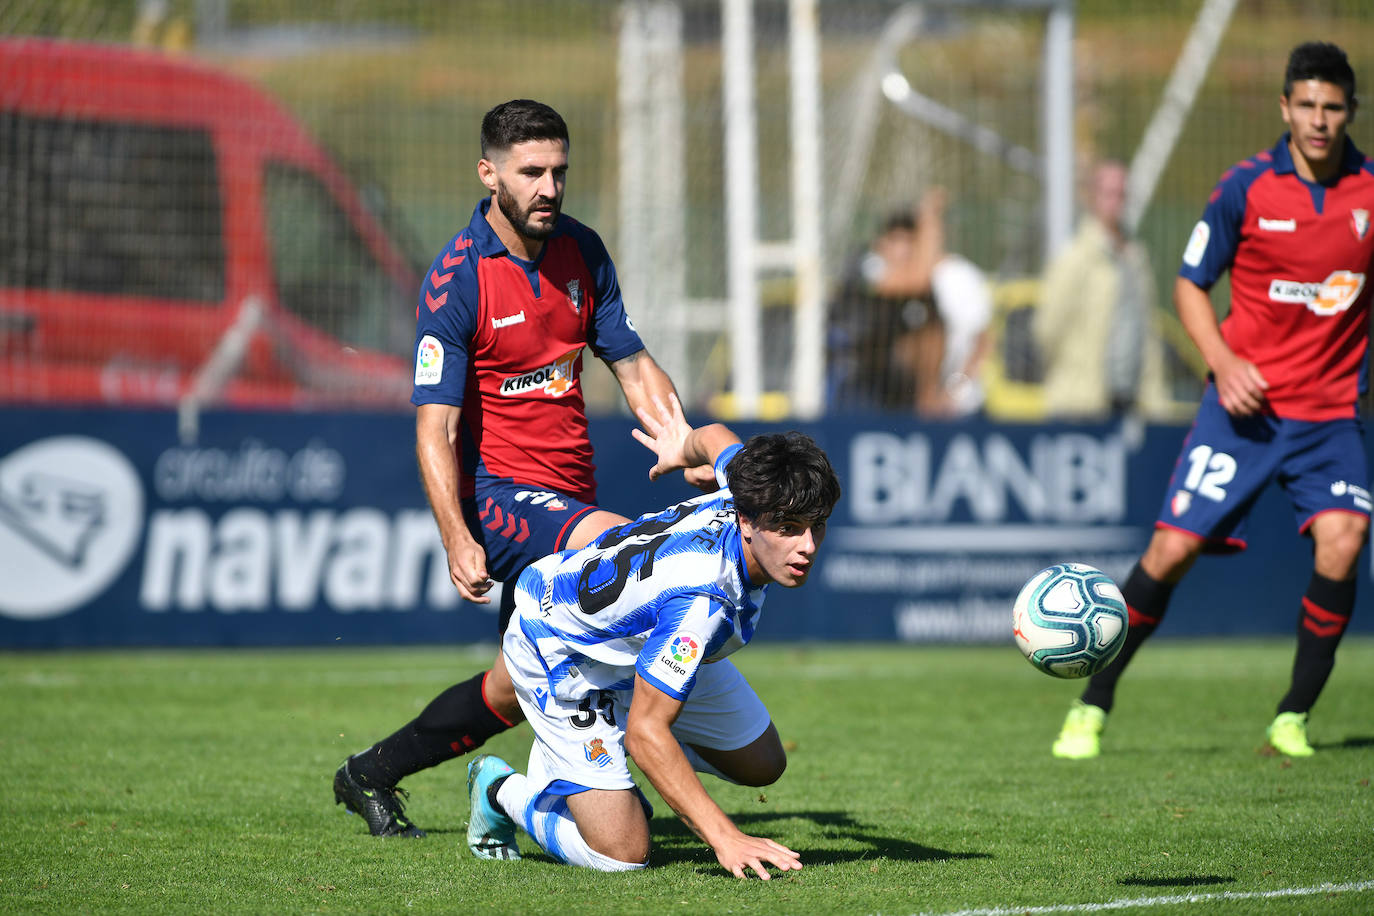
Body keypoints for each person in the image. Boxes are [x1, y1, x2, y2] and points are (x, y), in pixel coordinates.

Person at [333, 99, 704, 836]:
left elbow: (631, 364)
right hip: (499, 498)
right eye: (531, 172)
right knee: (624, 552)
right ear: (489, 172)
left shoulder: (583, 251)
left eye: (559, 172)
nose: (549, 188)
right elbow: (433, 430)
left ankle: (369, 774)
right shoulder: (456, 279)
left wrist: (677, 435)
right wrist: (454, 536)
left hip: (567, 496)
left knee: (508, 690)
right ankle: (643, 750)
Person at [1052, 41, 1372, 760]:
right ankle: (1093, 702)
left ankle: (1293, 714)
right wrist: (1223, 363)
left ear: (1351, 111)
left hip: (1328, 418)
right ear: (1285, 108)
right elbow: (1190, 283)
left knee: (1344, 540)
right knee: (1171, 550)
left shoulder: (1369, 194)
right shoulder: (1246, 188)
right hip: (1243, 413)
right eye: (1308, 106)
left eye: (1334, 107)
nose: (1320, 120)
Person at [464, 393, 841, 876]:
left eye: (817, 527)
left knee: (762, 763)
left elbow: (718, 439)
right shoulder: (702, 602)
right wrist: (725, 837)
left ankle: (594, 765)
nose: (806, 546)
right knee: (622, 854)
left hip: (640, 638)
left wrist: (684, 446)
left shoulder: (750, 485)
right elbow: (646, 734)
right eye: (788, 528)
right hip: (560, 647)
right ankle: (501, 788)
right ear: (746, 521)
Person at [827, 188, 991, 417]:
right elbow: (914, 280)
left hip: (953, 407)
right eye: (895, 240)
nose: (902, 250)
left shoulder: (957, 276)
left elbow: (981, 340)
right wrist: (929, 219)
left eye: (911, 241)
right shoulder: (868, 267)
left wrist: (952, 392)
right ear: (880, 243)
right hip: (866, 394)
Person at [1035, 159, 1172, 420]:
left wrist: (1156, 399)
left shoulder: (1135, 258)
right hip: (1081, 406)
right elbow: (1047, 329)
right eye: (1108, 194)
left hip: (1132, 404)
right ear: (1091, 197)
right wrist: (1073, 377)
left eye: (1122, 194)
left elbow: (1147, 331)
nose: (1116, 202)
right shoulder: (1075, 257)